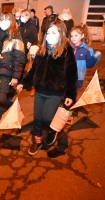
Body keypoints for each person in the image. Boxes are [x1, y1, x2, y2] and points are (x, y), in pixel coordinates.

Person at [17, 21, 77, 158]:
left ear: (61, 34)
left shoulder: (66, 52)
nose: (49, 35)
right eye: (48, 33)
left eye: (54, 33)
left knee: (47, 118)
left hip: (56, 92)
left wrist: (70, 94)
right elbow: (33, 71)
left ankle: (51, 131)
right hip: (40, 90)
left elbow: (72, 75)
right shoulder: (41, 51)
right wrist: (24, 83)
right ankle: (37, 140)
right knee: (37, 117)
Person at [0, 12, 26, 136]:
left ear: (12, 22)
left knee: (3, 99)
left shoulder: (16, 38)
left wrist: (16, 76)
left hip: (6, 72)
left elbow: (19, 59)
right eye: (2, 19)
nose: (3, 22)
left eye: (7, 19)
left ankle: (17, 112)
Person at [70, 24, 102, 91]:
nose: (73, 38)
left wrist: (95, 57)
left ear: (82, 36)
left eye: (76, 35)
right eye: (71, 36)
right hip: (67, 77)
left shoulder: (87, 50)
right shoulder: (68, 49)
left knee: (74, 95)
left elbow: (89, 65)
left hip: (78, 77)